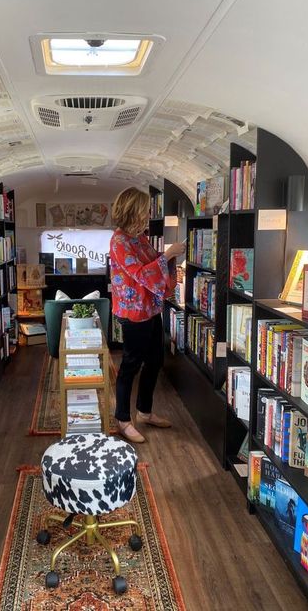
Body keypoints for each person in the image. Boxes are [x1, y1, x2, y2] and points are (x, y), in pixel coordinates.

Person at [110, 187, 185, 443]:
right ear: (134, 210)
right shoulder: (120, 241)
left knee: (155, 361)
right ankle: (122, 419)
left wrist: (170, 255)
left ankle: (144, 411)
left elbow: (154, 260)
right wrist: (169, 254)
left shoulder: (139, 237)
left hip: (150, 308)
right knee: (130, 365)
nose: (148, 214)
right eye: (145, 209)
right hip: (133, 313)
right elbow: (142, 273)